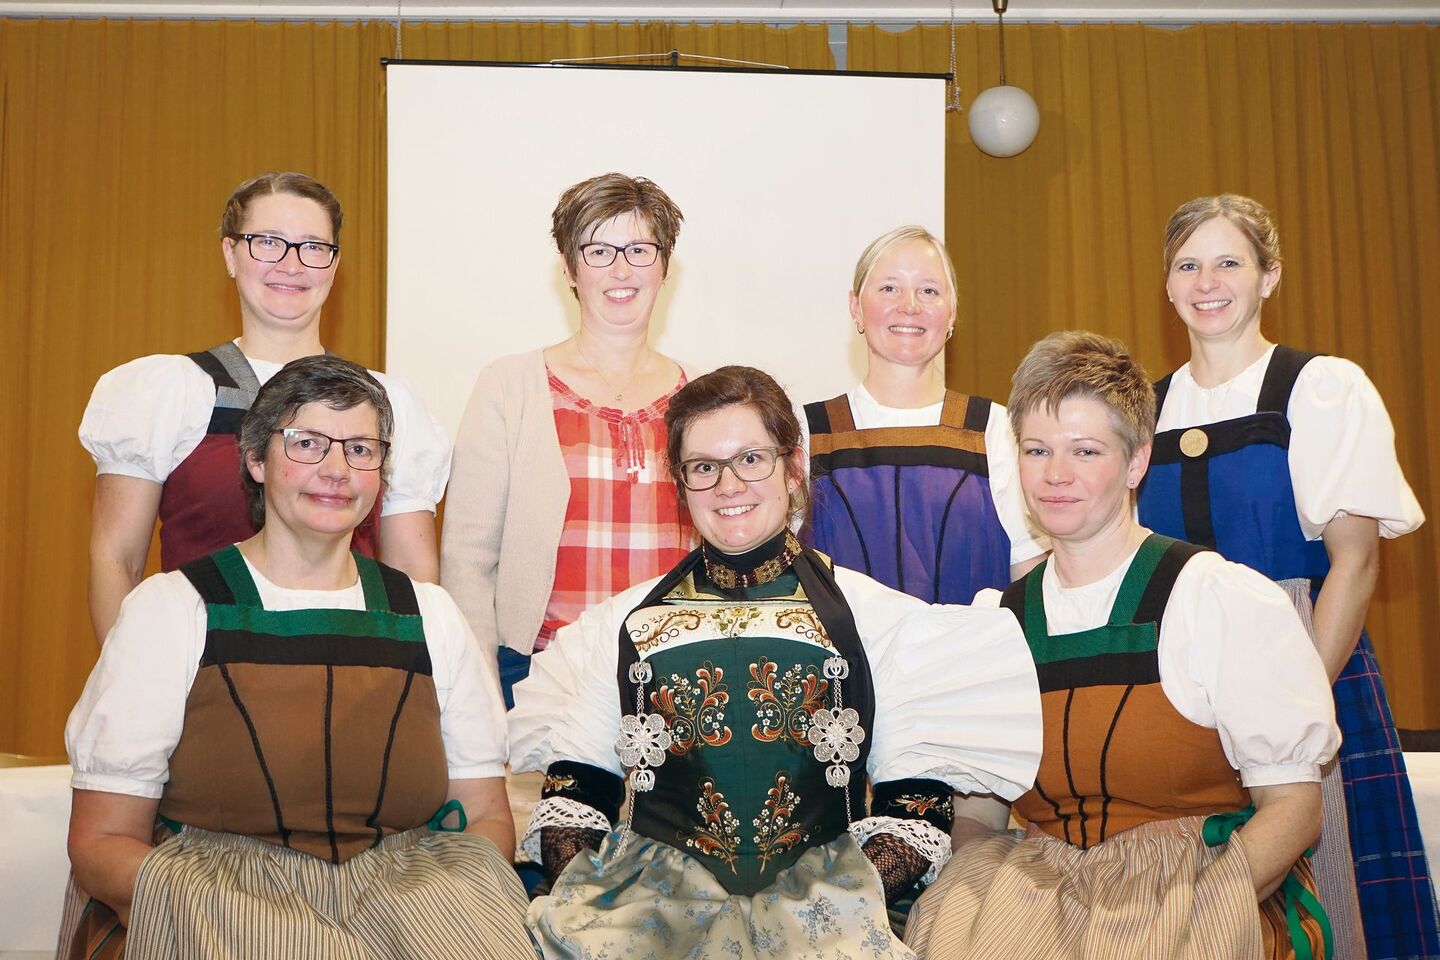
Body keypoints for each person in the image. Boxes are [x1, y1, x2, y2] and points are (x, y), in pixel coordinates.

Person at [510, 365, 1044, 959]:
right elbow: (576, 794)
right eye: (703, 467)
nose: (728, 485)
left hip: (827, 921)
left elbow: (913, 811)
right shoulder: (620, 625)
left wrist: (816, 912)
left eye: (751, 459)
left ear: (792, 469)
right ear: (680, 485)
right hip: (647, 919)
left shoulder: (875, 617)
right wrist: (600, 901)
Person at [64, 356, 532, 960]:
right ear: (256, 461)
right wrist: (233, 918)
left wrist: (445, 916)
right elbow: (102, 841)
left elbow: (485, 817)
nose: (336, 470)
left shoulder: (431, 616)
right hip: (219, 898)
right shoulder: (172, 610)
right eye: (306, 443)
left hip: (410, 896)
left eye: (360, 449)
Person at [907, 332, 1340, 959]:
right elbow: (980, 816)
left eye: (1085, 451)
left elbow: (1294, 807)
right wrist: (988, 912)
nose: (1056, 475)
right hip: (1042, 892)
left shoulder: (1215, 599)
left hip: (1197, 881)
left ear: (1137, 462)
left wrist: (1195, 916)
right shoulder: (997, 624)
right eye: (1036, 450)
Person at [1137, 194, 1438, 959]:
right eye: (1188, 265)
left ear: (1269, 276)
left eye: (1229, 262)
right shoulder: (1144, 408)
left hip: (1307, 653)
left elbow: (1356, 562)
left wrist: (1296, 700)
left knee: (1326, 898)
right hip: (1180, 678)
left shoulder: (1321, 388)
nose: (1207, 281)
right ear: (1167, 284)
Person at [80, 171, 450, 644]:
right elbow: (118, 560)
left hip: (354, 664)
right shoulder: (170, 391)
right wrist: (133, 675)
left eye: (313, 247)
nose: (292, 265)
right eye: (268, 242)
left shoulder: (388, 403)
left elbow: (411, 576)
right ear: (230, 254)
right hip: (203, 668)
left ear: (334, 264)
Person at [441, 172, 698, 707]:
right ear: (569, 268)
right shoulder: (510, 385)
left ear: (665, 266)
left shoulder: (701, 397)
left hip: (677, 675)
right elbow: (468, 557)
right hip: (536, 674)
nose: (621, 270)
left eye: (640, 250)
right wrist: (480, 691)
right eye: (599, 251)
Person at [805, 226, 1046, 605]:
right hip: (840, 646)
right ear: (855, 307)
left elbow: (1030, 578)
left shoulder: (997, 430)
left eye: (929, 291)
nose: (910, 306)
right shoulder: (806, 434)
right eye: (889, 288)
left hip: (975, 643)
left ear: (952, 312)